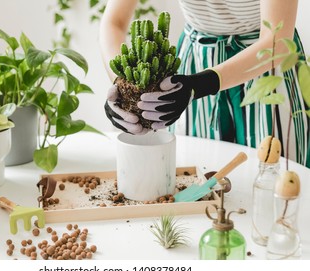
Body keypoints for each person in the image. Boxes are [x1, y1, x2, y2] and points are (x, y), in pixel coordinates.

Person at [100, 0, 309, 168]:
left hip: (264, 65)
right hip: (196, 60)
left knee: (271, 178)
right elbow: (114, 22)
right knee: (196, 174)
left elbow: (277, 41)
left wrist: (200, 85)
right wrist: (122, 85)